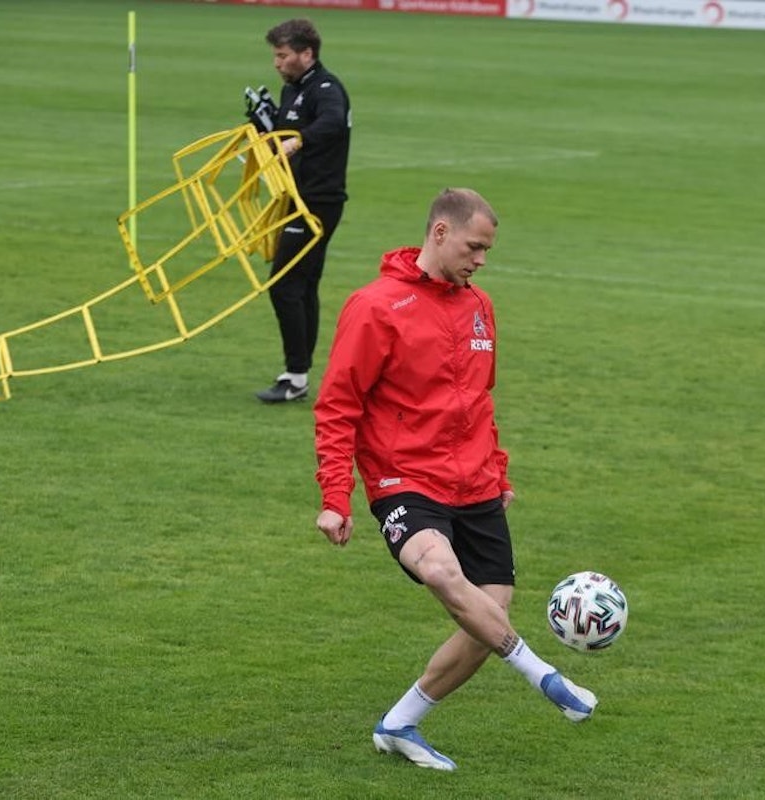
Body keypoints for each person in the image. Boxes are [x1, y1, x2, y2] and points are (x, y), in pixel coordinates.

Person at [313, 188, 597, 771]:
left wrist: (498, 471)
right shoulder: (375, 307)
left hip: (475, 485)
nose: (482, 260)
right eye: (475, 246)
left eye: (488, 250)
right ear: (440, 233)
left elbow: (479, 399)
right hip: (404, 479)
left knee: (486, 616)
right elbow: (338, 405)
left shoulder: (479, 306)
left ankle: (401, 723)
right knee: (441, 572)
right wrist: (335, 498)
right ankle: (544, 676)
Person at [255, 18, 352, 403]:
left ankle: (295, 376)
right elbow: (278, 145)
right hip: (295, 198)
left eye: (283, 55)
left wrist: (298, 142)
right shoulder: (293, 91)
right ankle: (300, 374)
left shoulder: (327, 89)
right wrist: (263, 125)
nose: (277, 63)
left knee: (283, 285)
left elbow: (331, 125)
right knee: (303, 284)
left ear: (306, 53)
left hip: (317, 202)